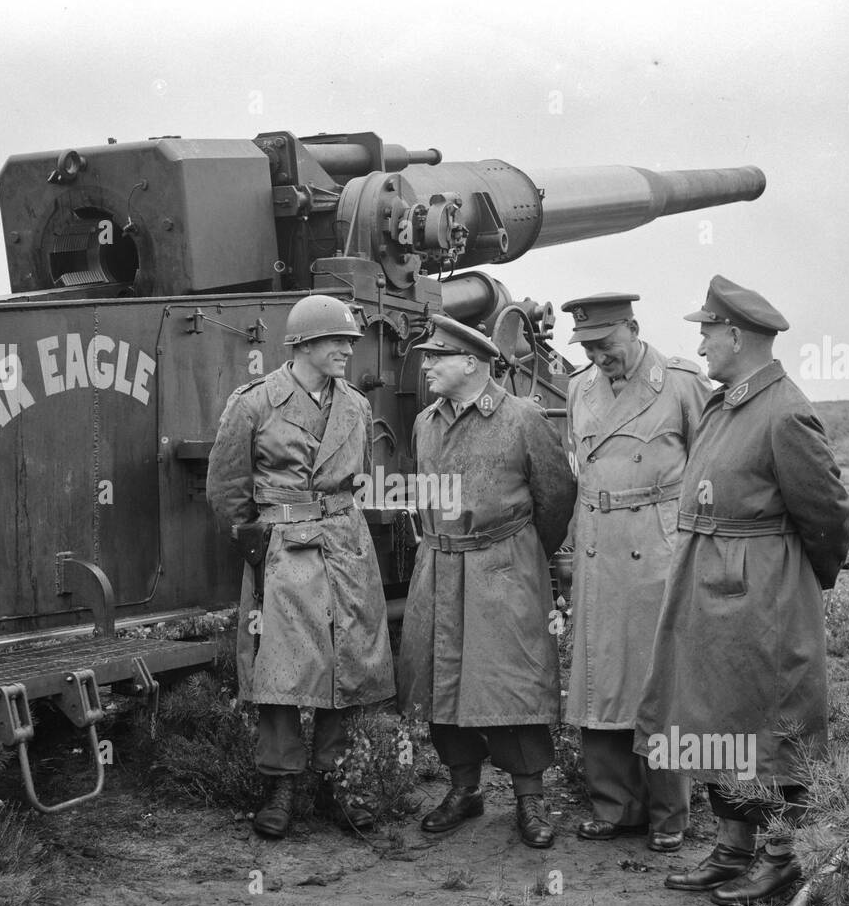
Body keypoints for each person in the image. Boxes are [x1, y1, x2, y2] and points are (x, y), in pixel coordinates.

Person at [634, 275, 849, 904]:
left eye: (707, 331)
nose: (700, 344)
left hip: (764, 595)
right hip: (708, 586)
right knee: (710, 717)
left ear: (735, 334)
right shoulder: (725, 401)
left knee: (775, 727)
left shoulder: (784, 411)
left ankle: (783, 857)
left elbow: (828, 512)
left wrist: (798, 585)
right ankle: (733, 849)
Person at [206, 294, 395, 839]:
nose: (347, 350)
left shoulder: (355, 406)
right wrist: (260, 540)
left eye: (350, 343)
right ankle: (280, 784)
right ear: (303, 344)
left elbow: (357, 475)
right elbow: (227, 489)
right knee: (280, 670)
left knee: (345, 662)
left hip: (343, 543)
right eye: (336, 341)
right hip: (283, 548)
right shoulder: (255, 403)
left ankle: (336, 777)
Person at [398, 314, 576, 849]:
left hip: (504, 568)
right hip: (439, 567)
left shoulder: (523, 418)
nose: (426, 365)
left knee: (512, 684)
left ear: (471, 363)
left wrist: (519, 555)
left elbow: (557, 497)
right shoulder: (424, 422)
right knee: (442, 684)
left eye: (437, 357)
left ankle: (530, 798)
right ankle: (464, 789)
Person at [560, 292, 709, 853]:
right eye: (588, 346)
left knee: (657, 680)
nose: (599, 355)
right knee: (599, 677)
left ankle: (670, 811)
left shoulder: (681, 383)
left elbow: (708, 465)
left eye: (607, 343)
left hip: (657, 546)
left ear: (635, 328)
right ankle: (613, 804)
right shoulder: (579, 388)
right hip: (599, 546)